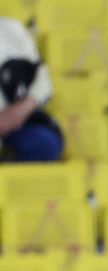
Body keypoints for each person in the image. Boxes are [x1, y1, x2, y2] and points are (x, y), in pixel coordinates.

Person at [0, 17, 62, 162]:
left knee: (45, 144)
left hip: (12, 122)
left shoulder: (12, 30)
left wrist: (20, 110)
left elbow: (42, 80)